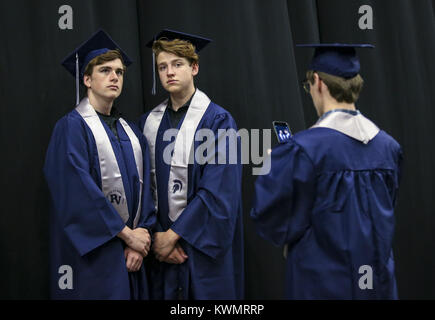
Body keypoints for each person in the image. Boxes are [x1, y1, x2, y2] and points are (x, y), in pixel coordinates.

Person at [250, 43, 402, 299]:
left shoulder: (302, 149)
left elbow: (272, 220)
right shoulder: (389, 147)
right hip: (379, 285)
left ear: (318, 82)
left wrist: (272, 169)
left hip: (321, 286)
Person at [44, 29, 156, 299]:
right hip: (94, 256)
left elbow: (148, 191)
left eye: (119, 72)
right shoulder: (71, 128)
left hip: (132, 256)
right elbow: (76, 193)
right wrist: (127, 236)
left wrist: (141, 236)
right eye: (105, 70)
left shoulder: (132, 132)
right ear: (87, 79)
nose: (114, 77)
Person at [138, 29, 244, 299]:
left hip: (197, 250)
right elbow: (138, 187)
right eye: (162, 67)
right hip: (159, 252)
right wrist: (156, 238)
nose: (169, 72)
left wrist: (173, 236)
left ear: (194, 67)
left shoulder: (218, 122)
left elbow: (217, 191)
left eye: (177, 64)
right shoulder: (148, 123)